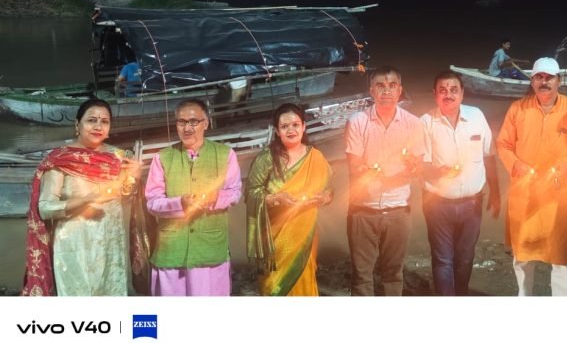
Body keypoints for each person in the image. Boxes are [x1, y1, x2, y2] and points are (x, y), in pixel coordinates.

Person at [21, 98, 141, 296]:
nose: (98, 126)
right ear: (77, 125)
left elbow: (126, 199)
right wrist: (84, 200)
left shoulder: (120, 157)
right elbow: (45, 208)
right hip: (73, 247)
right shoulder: (61, 159)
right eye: (91, 120)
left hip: (111, 245)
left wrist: (134, 178)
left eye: (104, 121)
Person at [496, 57, 567, 296]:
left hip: (558, 198)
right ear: (532, 82)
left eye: (549, 78)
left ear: (559, 81)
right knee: (522, 256)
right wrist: (516, 164)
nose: (544, 82)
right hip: (525, 195)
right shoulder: (518, 109)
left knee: (559, 258)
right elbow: (503, 144)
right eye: (539, 77)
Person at [145, 98, 242, 296]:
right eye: (181, 122)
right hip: (172, 249)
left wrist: (215, 198)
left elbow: (234, 192)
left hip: (210, 248)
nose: (187, 128)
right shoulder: (162, 157)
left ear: (206, 123)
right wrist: (179, 203)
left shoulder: (225, 154)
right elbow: (152, 202)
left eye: (193, 122)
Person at [345, 66, 425, 296]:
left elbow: (419, 165)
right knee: (362, 276)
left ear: (400, 90)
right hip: (363, 210)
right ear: (371, 90)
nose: (386, 91)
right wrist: (368, 171)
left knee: (393, 274)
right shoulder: (358, 121)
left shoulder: (413, 123)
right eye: (380, 86)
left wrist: (413, 166)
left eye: (392, 86)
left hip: (398, 209)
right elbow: (354, 165)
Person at [420, 70, 500, 295]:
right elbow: (419, 164)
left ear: (462, 93)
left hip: (472, 204)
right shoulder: (426, 122)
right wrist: (437, 171)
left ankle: (461, 294)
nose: (448, 94)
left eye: (454, 90)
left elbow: (489, 155)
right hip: (437, 203)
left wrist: (496, 193)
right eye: (443, 90)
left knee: (465, 257)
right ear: (435, 94)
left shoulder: (477, 117)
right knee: (443, 259)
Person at [245, 103, 333, 296]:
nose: (291, 130)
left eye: (295, 125)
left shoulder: (315, 157)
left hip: (305, 234)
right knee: (274, 286)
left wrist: (325, 197)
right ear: (277, 131)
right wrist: (276, 198)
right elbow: (251, 192)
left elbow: (329, 190)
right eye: (284, 126)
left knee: (303, 278)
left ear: (304, 126)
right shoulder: (267, 158)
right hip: (275, 237)